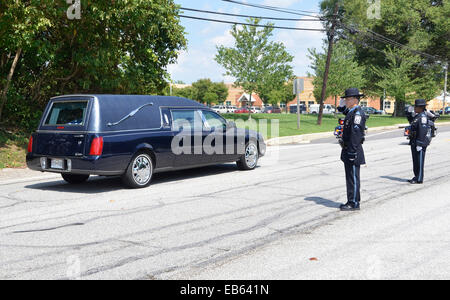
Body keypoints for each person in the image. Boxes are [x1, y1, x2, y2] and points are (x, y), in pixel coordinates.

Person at [339, 88, 367, 211]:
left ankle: (354, 202)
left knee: (353, 177)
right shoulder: (352, 112)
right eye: (345, 99)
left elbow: (356, 134)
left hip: (353, 150)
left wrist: (352, 151)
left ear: (355, 100)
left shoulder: (357, 114)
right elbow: (346, 113)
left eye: (347, 99)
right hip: (348, 149)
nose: (346, 101)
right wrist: (341, 107)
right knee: (350, 177)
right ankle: (351, 200)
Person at [408, 99, 430, 184]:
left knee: (419, 161)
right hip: (414, 141)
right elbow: (412, 123)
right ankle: (416, 176)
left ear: (421, 107)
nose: (414, 108)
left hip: (419, 142)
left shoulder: (423, 117)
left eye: (416, 106)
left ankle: (419, 178)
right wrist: (409, 114)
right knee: (415, 161)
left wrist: (420, 143)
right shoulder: (418, 116)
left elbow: (422, 131)